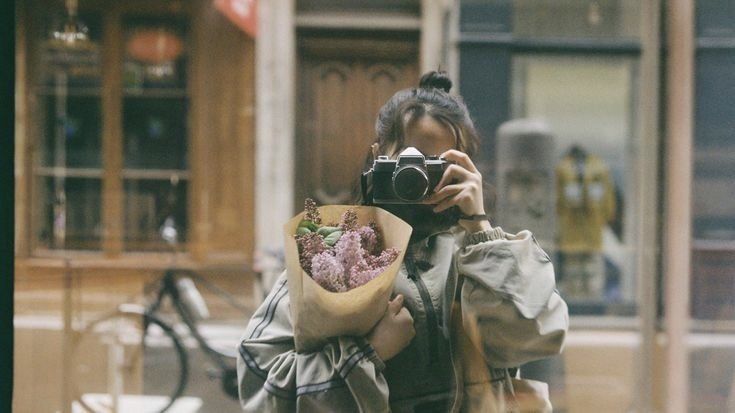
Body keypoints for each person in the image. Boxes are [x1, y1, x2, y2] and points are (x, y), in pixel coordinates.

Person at [237, 71, 569, 412]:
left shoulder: (483, 255)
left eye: (435, 164)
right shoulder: (330, 256)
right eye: (408, 161)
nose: (417, 177)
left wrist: (479, 227)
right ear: (378, 156)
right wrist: (367, 354)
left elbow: (535, 339)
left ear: (465, 168)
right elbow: (260, 388)